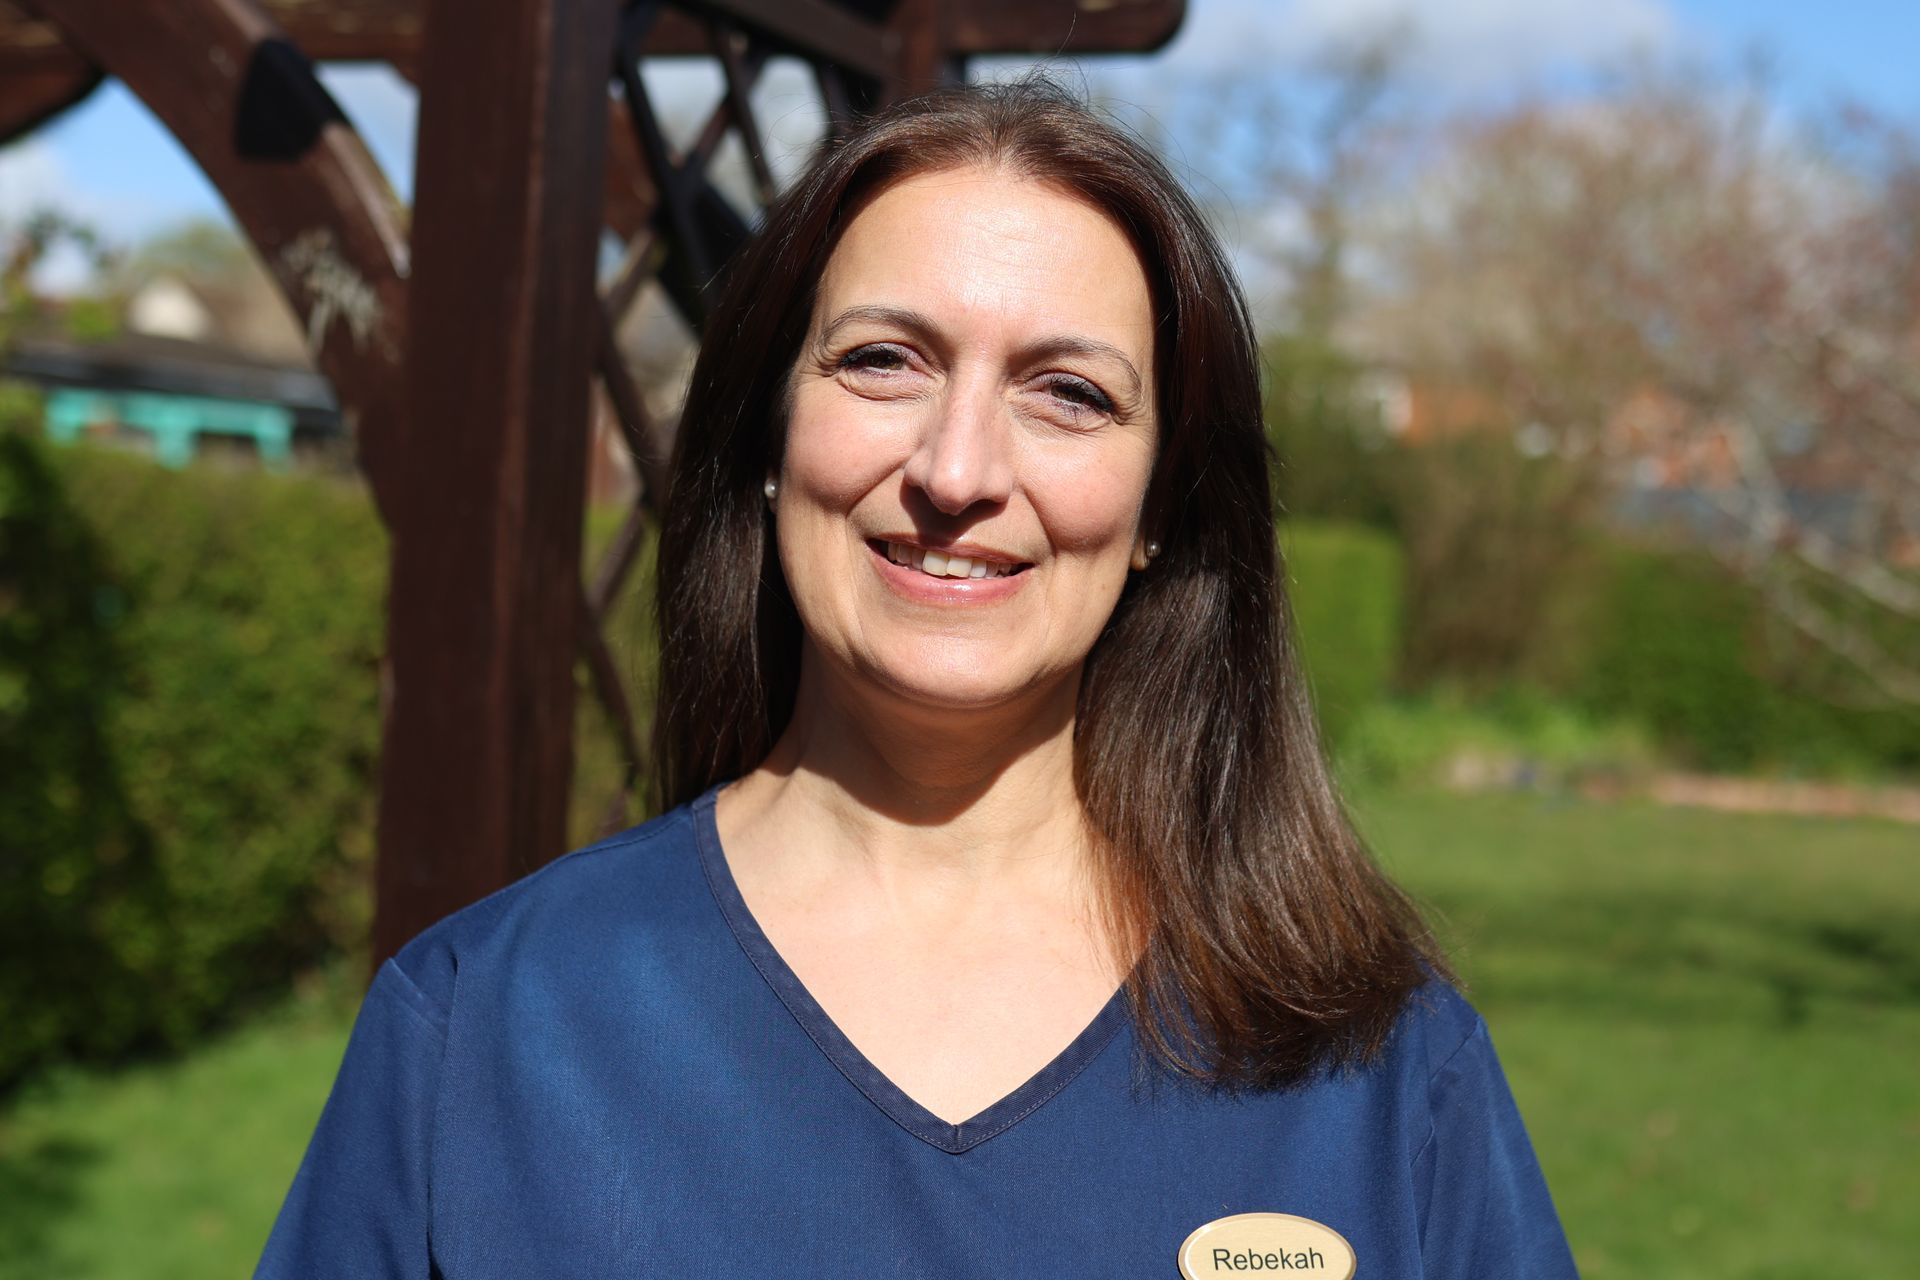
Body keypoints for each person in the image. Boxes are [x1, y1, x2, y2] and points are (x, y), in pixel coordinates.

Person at [256, 78, 1578, 1278]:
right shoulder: (485, 1024)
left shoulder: (1380, 1068)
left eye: (1067, 393)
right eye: (884, 361)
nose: (957, 470)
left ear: (1166, 501)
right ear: (770, 433)